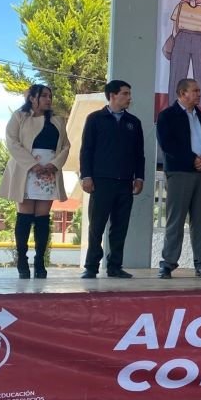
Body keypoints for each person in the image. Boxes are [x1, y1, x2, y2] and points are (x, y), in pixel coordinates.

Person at [0, 84, 70, 279]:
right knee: (24, 215)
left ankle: (40, 261)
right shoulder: (19, 117)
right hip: (26, 170)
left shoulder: (58, 121)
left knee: (42, 218)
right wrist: (31, 164)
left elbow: (65, 146)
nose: (49, 99)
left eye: (50, 95)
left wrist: (54, 164)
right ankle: (22, 259)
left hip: (49, 172)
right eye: (44, 95)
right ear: (32, 98)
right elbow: (12, 142)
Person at [79, 80, 145, 279]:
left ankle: (115, 266)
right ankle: (91, 266)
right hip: (101, 182)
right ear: (112, 95)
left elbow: (138, 154)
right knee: (96, 226)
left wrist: (139, 177)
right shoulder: (95, 119)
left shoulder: (133, 122)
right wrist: (86, 176)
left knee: (120, 226)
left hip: (125, 182)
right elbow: (86, 150)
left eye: (129, 93)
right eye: (125, 93)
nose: (129, 98)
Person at [156, 79, 201, 279]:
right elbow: (168, 145)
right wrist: (193, 160)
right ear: (183, 93)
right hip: (180, 172)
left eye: (199, 90)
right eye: (195, 90)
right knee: (176, 219)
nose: (199, 94)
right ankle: (168, 263)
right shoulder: (168, 116)